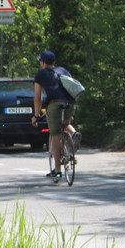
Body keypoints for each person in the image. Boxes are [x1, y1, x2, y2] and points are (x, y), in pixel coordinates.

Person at [32, 49, 80, 180]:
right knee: (66, 124)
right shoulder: (64, 71)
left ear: (43, 62)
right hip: (70, 103)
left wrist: (36, 115)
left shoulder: (41, 74)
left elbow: (37, 97)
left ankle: (58, 169)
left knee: (55, 134)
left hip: (54, 104)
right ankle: (74, 134)